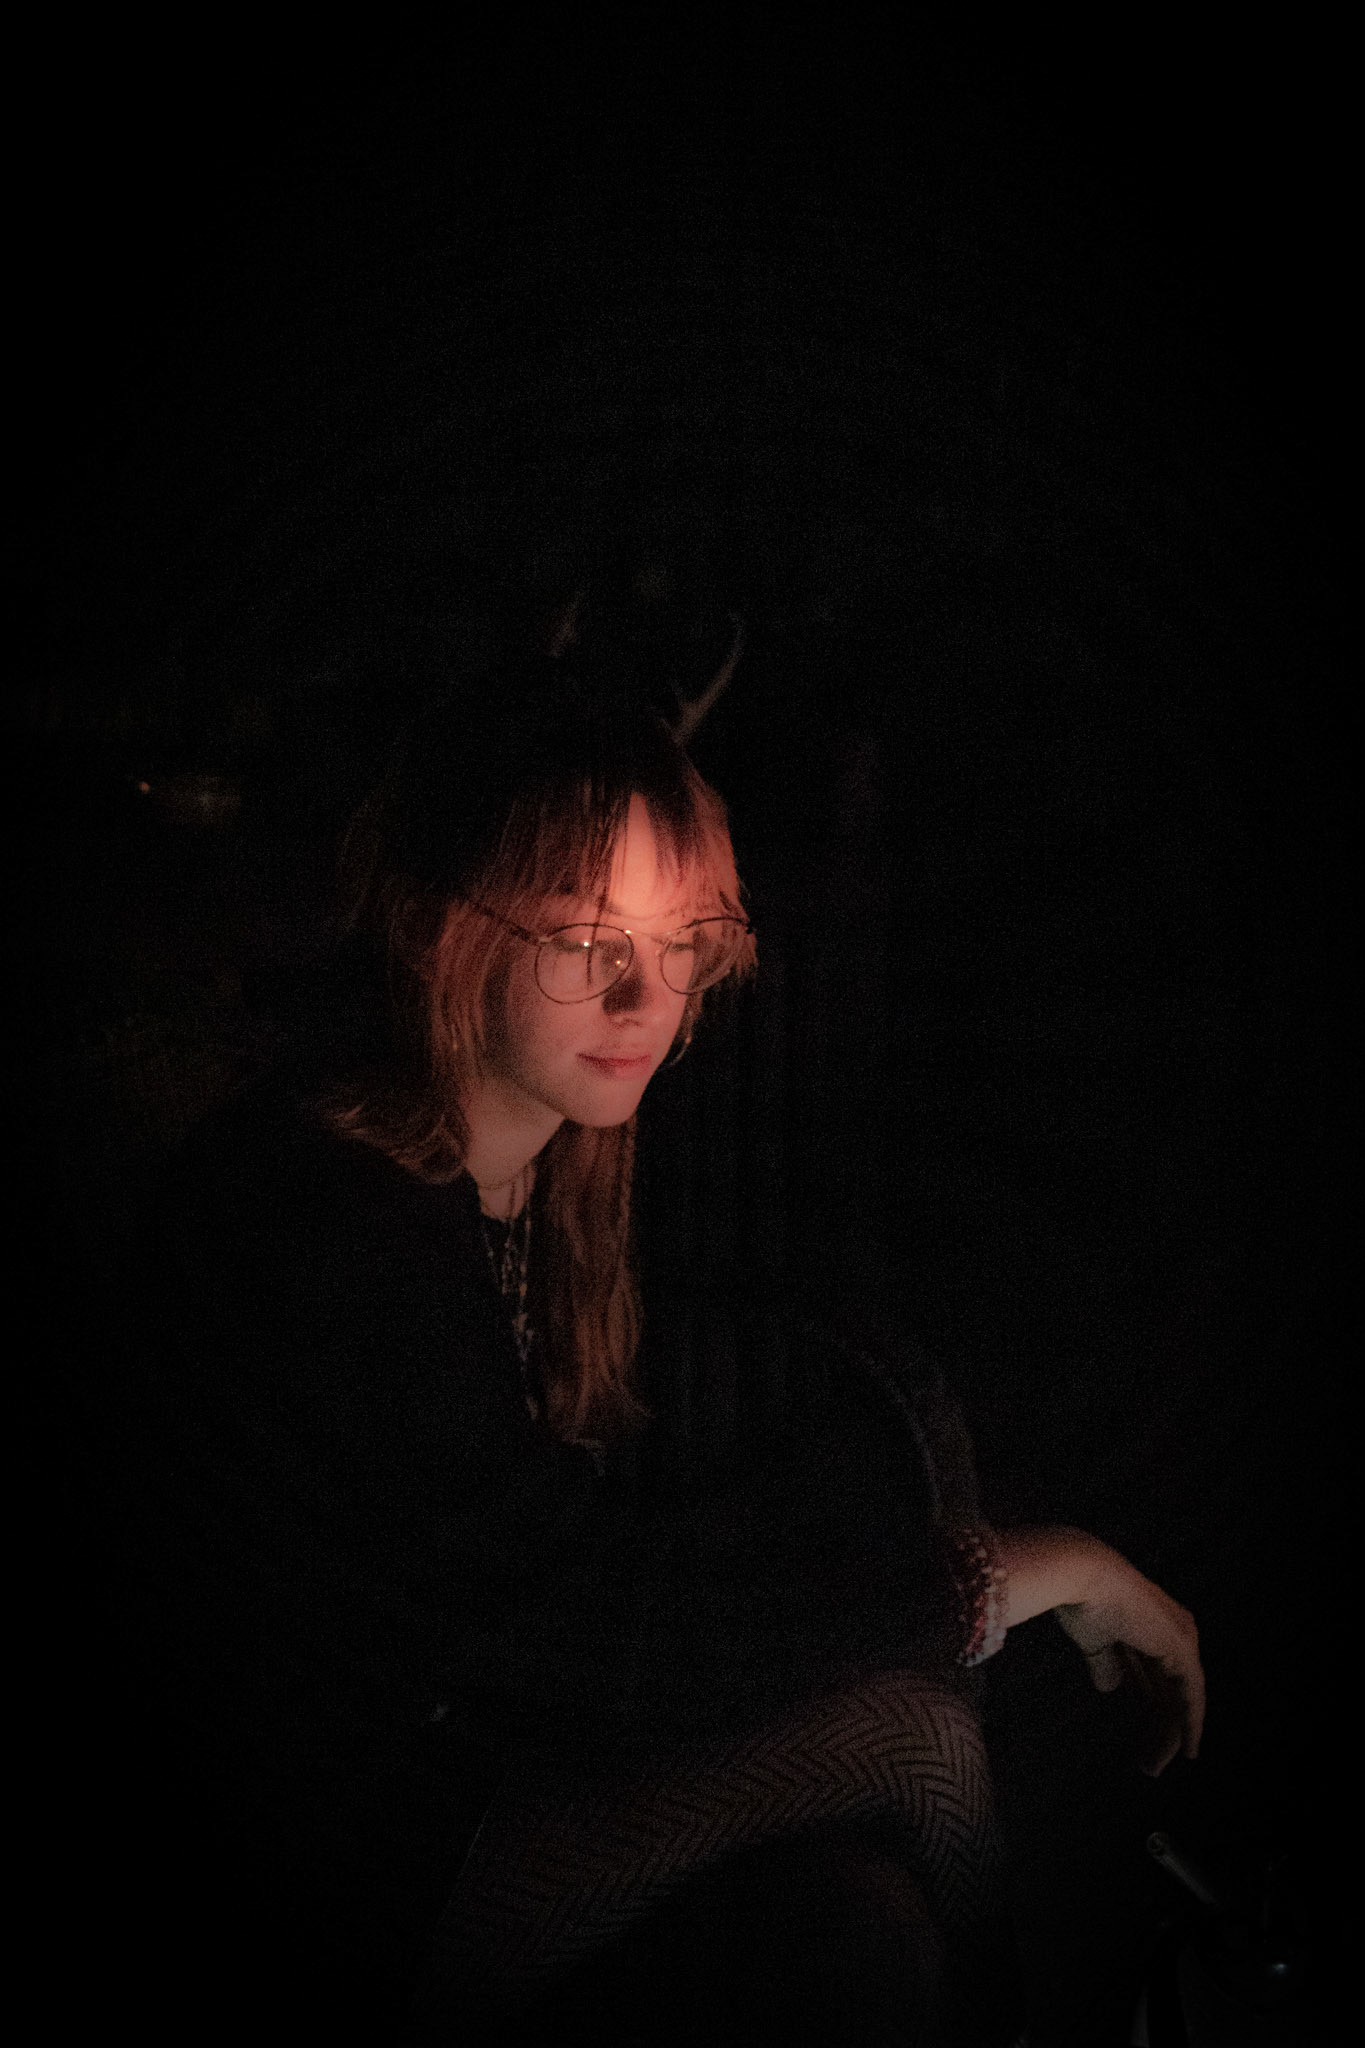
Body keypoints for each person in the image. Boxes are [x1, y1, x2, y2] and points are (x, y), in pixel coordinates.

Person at [90, 636, 1203, 2044]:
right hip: (337, 1868)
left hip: (464, 1766)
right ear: (440, 929)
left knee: (873, 1915)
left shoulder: (545, 1160)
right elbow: (573, 1623)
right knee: (914, 1747)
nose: (647, 1004)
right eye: (585, 945)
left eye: (680, 947)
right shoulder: (330, 1220)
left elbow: (579, 1570)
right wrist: (1020, 1569)